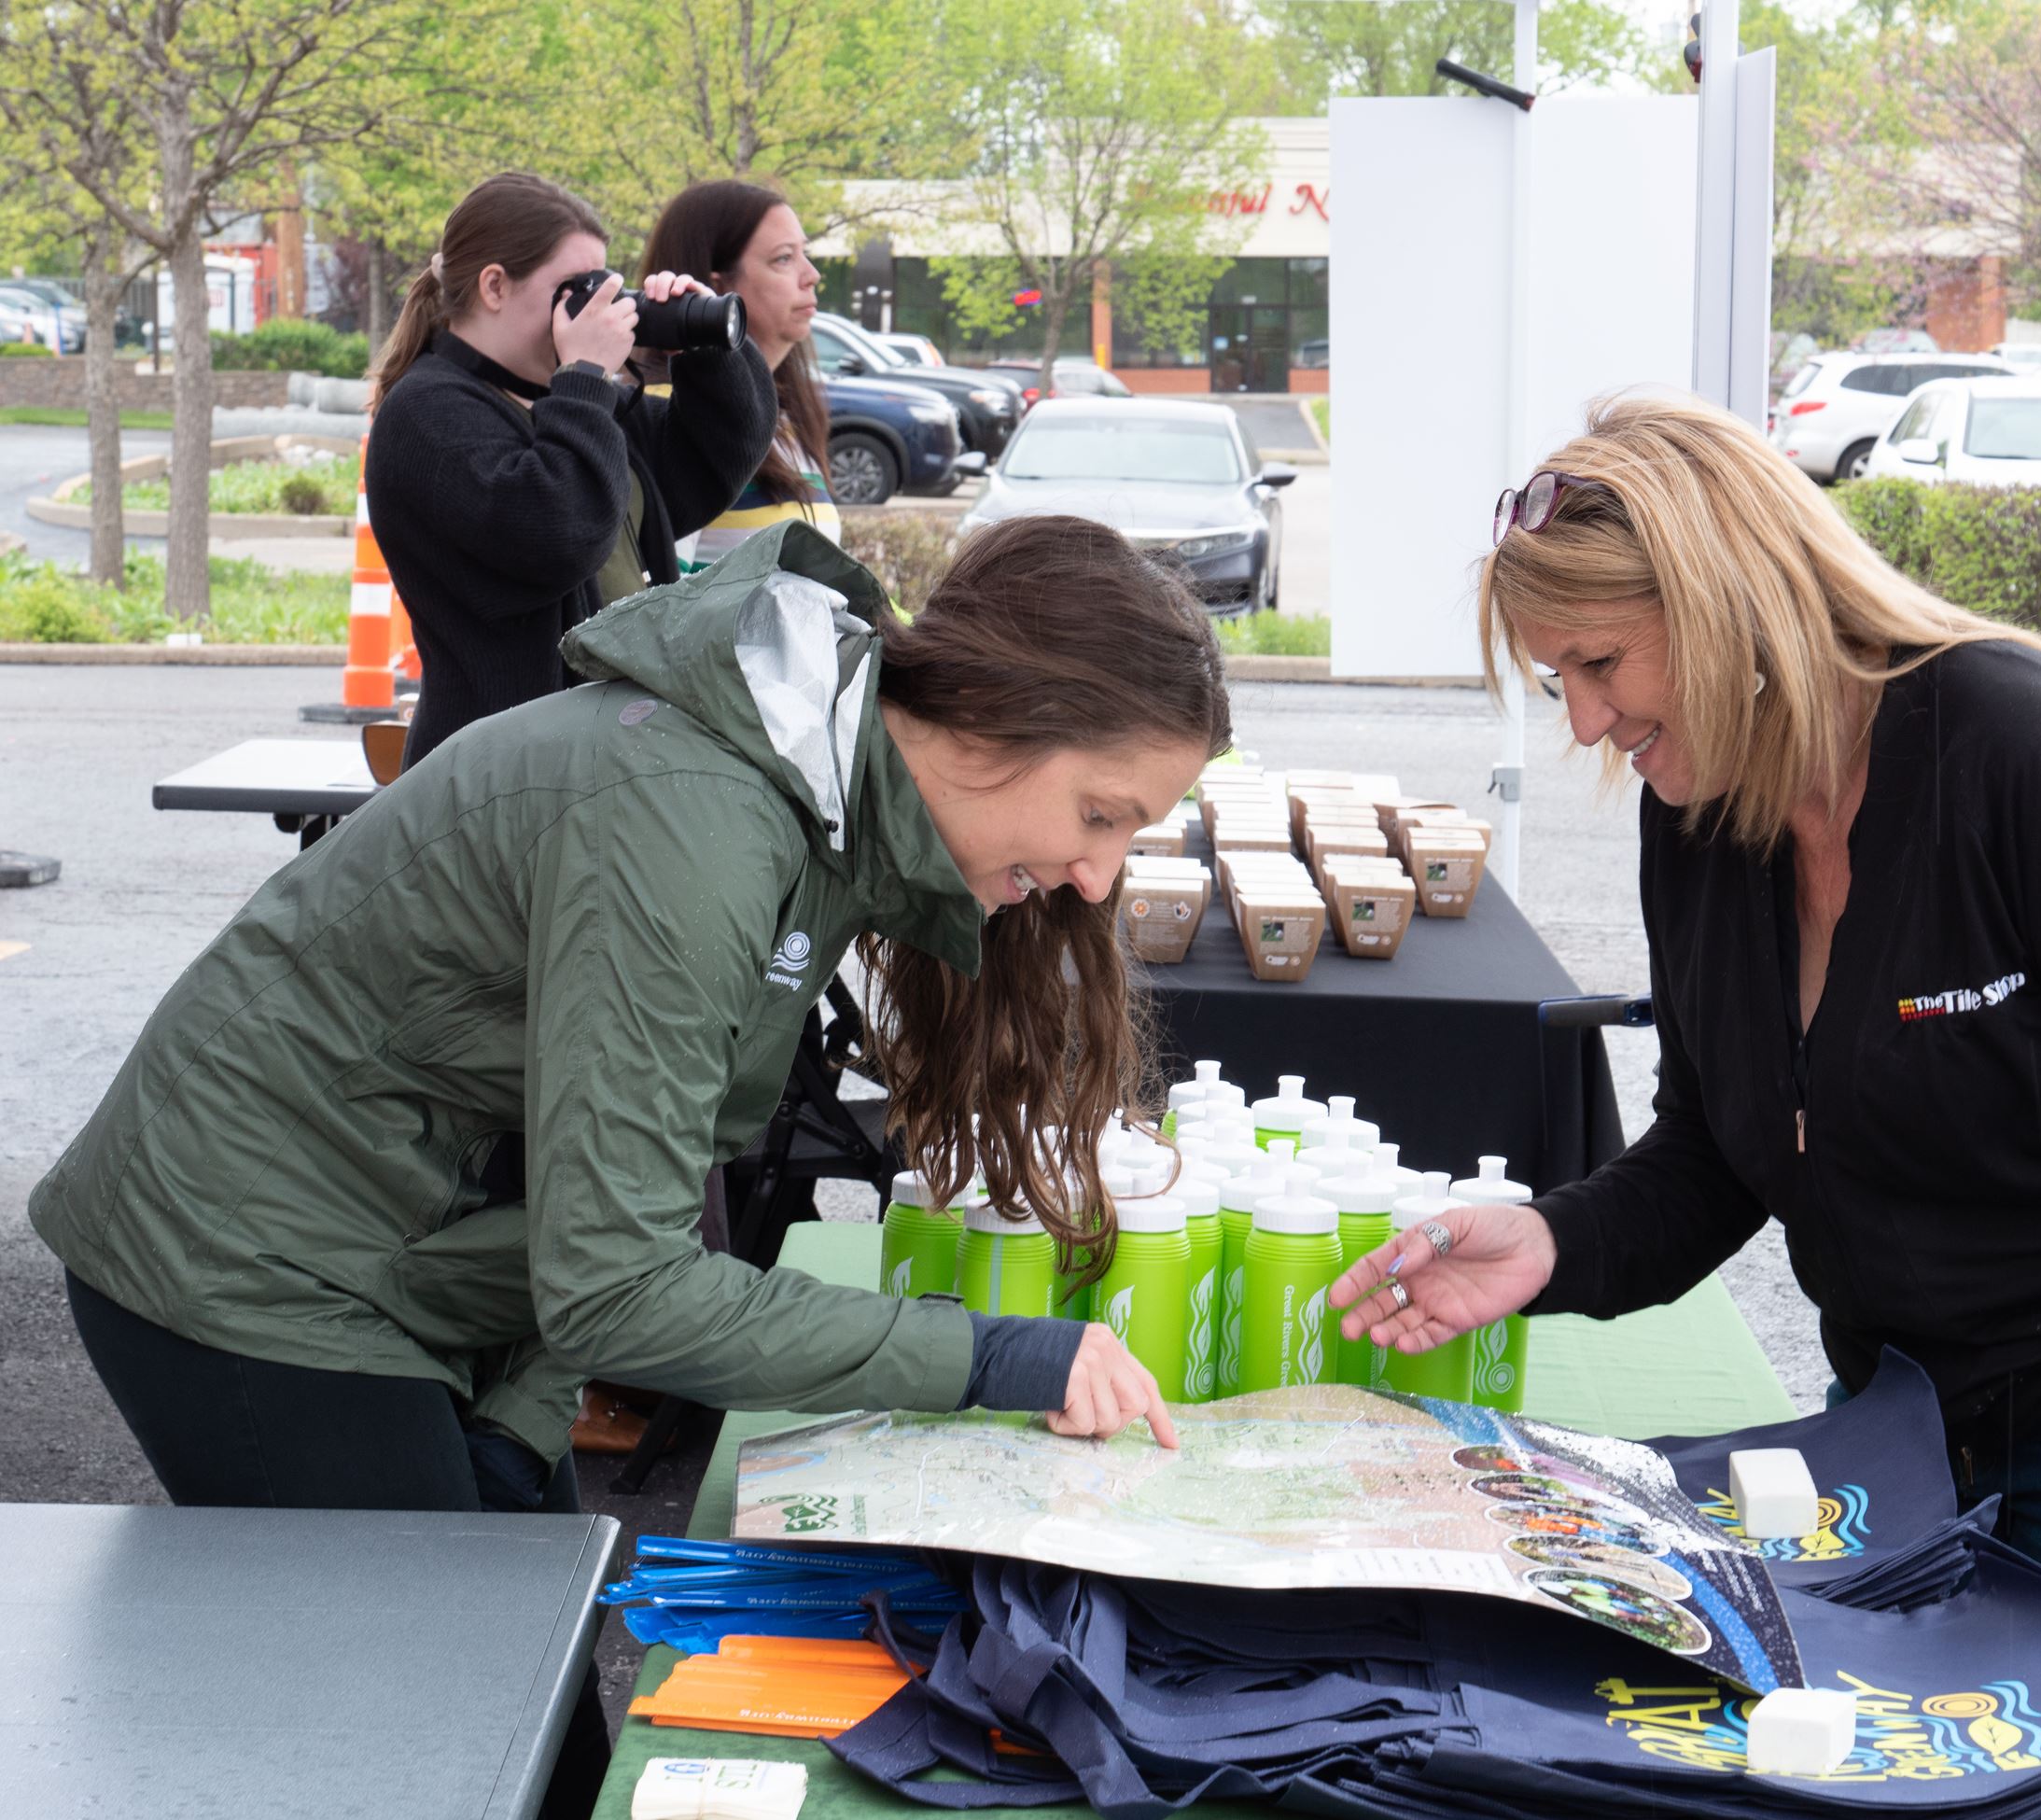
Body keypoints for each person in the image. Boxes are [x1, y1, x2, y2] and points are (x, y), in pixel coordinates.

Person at [33, 512, 1223, 1817]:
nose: (1100, 877)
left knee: (539, 1726)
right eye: (1101, 813)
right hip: (244, 1255)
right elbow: (622, 1279)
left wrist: (524, 1407)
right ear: (992, 714)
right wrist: (991, 1358)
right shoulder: (701, 821)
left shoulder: (814, 796)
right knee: (424, 1744)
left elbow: (612, 1175)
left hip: (422, 1248)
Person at [1330, 394, 2041, 1820]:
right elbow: (1722, 1150)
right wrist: (1550, 1244)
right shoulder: (1696, 818)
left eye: (1597, 663)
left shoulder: (2019, 742)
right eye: (1555, 679)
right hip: (1924, 1415)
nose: (1585, 720)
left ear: (1722, 601)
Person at [364, 171, 777, 768]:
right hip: (497, 783)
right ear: (495, 286)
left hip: (604, 771)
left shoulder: (569, 405)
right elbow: (557, 534)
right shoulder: (427, 413)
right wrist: (585, 377)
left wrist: (708, 350)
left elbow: (713, 462)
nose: (589, 308)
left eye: (600, 287)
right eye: (570, 289)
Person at [637, 179, 844, 564]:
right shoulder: (670, 415)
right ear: (716, 289)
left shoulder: (785, 418)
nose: (811, 274)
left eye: (805, 254)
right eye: (784, 258)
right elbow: (654, 603)